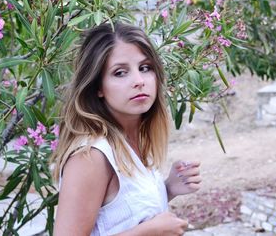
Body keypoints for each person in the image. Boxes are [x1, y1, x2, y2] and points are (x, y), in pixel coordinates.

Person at [52, 22, 201, 235]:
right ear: (98, 87)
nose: (139, 81)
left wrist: (167, 188)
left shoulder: (131, 142)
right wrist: (147, 232)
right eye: (120, 72)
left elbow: (119, 214)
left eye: (145, 68)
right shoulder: (91, 156)